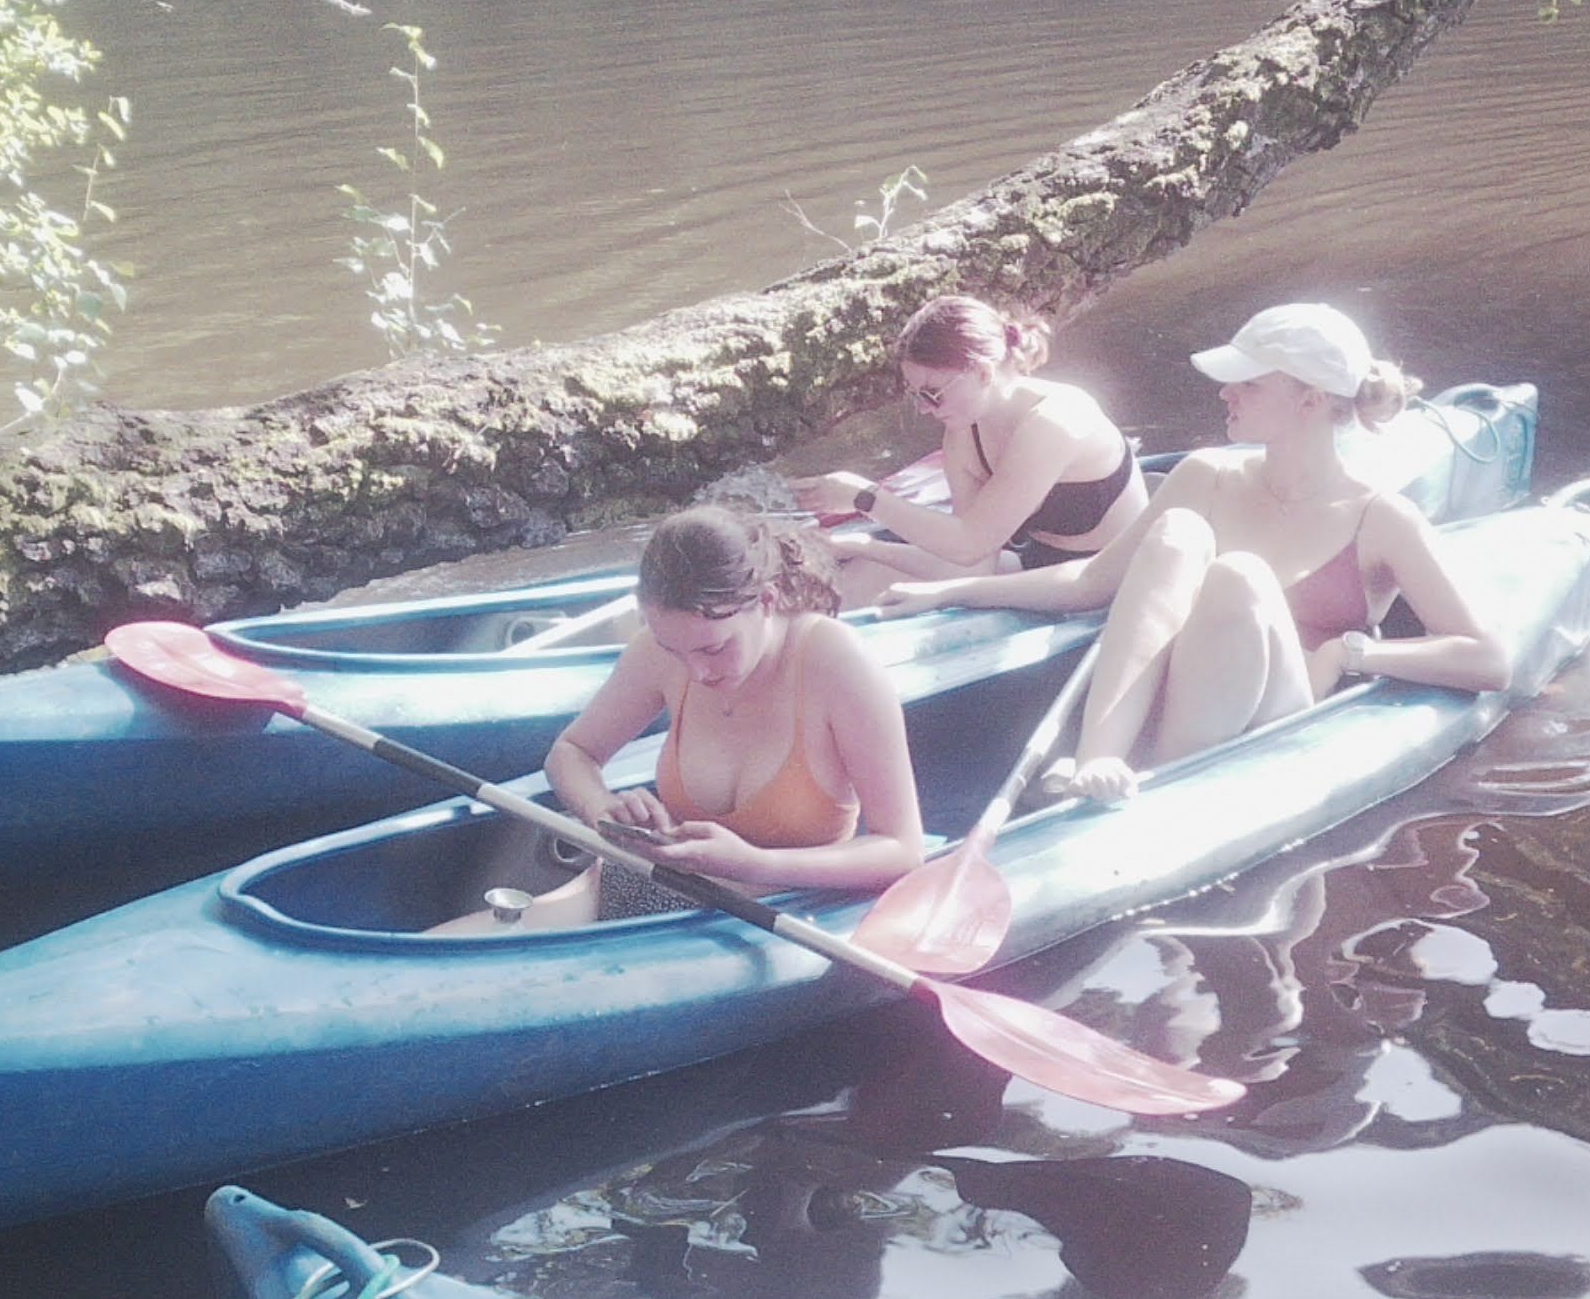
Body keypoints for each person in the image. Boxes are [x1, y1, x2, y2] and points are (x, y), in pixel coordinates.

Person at [880, 301, 1503, 800]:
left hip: (1280, 719)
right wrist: (951, 589)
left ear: (1310, 400)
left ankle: (1158, 781)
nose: (1225, 394)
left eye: (1247, 384)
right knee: (1178, 531)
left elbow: (1487, 659)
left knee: (1238, 576)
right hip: (1176, 710)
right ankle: (1100, 759)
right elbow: (1090, 583)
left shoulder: (1381, 517)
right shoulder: (1205, 475)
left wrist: (1353, 651)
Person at [440, 508, 928, 930]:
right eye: (675, 649)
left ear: (766, 601)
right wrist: (604, 812)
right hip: (636, 886)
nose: (696, 671)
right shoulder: (661, 651)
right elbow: (572, 754)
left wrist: (754, 864)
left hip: (771, 918)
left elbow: (902, 849)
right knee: (448, 954)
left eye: (713, 649)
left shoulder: (835, 662)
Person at [797, 295, 1147, 603]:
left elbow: (970, 543)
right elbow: (971, 564)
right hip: (1038, 573)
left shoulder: (1057, 421)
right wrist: (858, 545)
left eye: (932, 393)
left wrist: (866, 498)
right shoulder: (965, 433)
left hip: (1112, 582)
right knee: (861, 574)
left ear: (982, 372)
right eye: (916, 396)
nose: (924, 409)